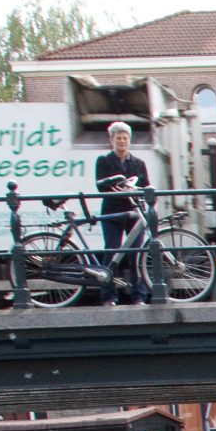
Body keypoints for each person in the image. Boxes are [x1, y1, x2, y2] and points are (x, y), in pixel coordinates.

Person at [94, 122, 150, 305]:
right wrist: (115, 185)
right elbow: (100, 185)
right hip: (112, 211)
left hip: (133, 212)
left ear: (129, 140)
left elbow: (145, 185)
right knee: (112, 250)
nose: (122, 141)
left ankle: (138, 296)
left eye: (125, 138)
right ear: (112, 140)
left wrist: (139, 191)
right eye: (118, 138)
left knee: (137, 254)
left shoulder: (139, 163)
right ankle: (109, 296)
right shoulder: (103, 161)